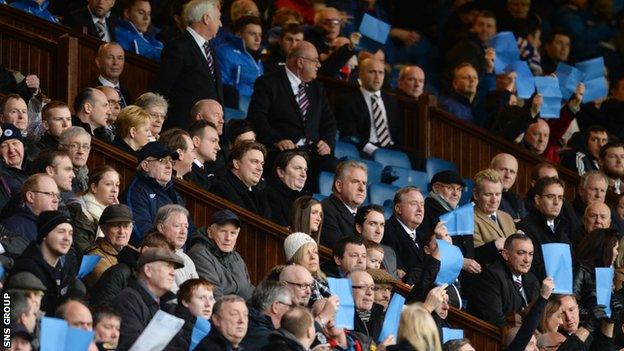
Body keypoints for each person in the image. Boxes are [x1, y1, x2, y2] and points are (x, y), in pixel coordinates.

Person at [246, 41, 337, 174]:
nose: (319, 65)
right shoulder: (269, 82)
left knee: (337, 168)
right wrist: (277, 140)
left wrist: (327, 143)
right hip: (282, 152)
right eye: (315, 61)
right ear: (300, 62)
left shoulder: (318, 89)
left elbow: (329, 122)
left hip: (312, 153)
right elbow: (256, 117)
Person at [153, 0, 223, 130]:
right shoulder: (178, 47)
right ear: (206, 18)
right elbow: (162, 88)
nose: (220, 23)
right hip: (183, 127)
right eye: (218, 18)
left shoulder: (210, 48)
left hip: (206, 129)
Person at [112, 247, 184, 350]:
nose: (173, 273)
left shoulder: (166, 303)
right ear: (148, 270)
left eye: (174, 268)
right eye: (168, 266)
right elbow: (133, 345)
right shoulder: (127, 300)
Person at [10, 210, 78, 315]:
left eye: (70, 233)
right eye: (61, 231)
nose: (67, 238)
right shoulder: (27, 268)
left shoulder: (66, 266)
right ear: (44, 235)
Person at [468, 233, 540, 327]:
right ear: (506, 254)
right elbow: (495, 321)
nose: (527, 260)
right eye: (521, 253)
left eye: (530, 254)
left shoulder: (532, 279)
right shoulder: (491, 277)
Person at [335, 58, 402, 156]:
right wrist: (374, 151)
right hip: (364, 149)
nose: (377, 76)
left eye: (381, 72)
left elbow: (398, 134)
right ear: (361, 74)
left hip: (390, 150)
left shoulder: (392, 101)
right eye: (372, 72)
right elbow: (349, 133)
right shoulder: (348, 100)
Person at [122, 141, 185, 244]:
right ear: (145, 165)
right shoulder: (136, 193)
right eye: (162, 160)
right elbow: (142, 233)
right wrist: (170, 251)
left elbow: (189, 228)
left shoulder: (174, 194)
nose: (169, 166)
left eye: (171, 161)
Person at [188, 210, 254, 300]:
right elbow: (215, 296)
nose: (228, 238)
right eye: (223, 231)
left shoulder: (236, 256)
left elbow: (249, 291)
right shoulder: (199, 254)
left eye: (233, 233)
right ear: (210, 232)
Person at [517, 177, 573, 280]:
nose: (556, 202)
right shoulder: (525, 227)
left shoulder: (561, 229)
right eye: (551, 197)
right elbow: (531, 267)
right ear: (538, 200)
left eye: (560, 198)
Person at [67, 165, 120, 253]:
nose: (114, 190)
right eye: (108, 184)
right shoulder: (79, 211)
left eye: (117, 185)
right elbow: (84, 252)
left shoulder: (113, 212)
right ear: (94, 188)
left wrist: (116, 215)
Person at [210, 141, 271, 217]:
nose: (260, 168)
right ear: (236, 164)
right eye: (255, 161)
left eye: (262, 164)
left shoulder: (258, 193)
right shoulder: (221, 188)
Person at [216, 15, 264, 111]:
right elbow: (221, 84)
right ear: (238, 34)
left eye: (260, 35)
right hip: (234, 107)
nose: (258, 39)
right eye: (252, 34)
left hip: (256, 106)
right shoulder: (225, 52)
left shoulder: (258, 57)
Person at [573, 228, 619, 321]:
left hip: (601, 326)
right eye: (616, 249)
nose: (617, 253)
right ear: (605, 248)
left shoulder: (608, 272)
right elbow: (571, 304)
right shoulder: (580, 269)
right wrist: (591, 314)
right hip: (583, 327)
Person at [83, 204, 133, 288]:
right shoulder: (92, 257)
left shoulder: (132, 250)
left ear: (131, 229)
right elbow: (113, 287)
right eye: (116, 226)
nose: (122, 231)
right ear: (103, 229)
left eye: (126, 226)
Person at [472, 169, 516, 265]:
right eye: (488, 194)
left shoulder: (507, 217)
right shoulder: (469, 219)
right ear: (476, 194)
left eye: (498, 194)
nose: (494, 200)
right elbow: (476, 257)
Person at [320, 160, 367, 248]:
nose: (362, 188)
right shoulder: (326, 209)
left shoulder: (366, 213)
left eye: (364, 183)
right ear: (339, 185)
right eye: (355, 182)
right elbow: (339, 249)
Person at [381, 186, 427, 276]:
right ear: (398, 208)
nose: (420, 209)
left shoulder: (423, 237)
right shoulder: (386, 231)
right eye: (414, 204)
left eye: (422, 204)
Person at [1, 174, 59, 243]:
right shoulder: (13, 227)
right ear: (30, 197)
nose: (56, 200)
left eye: (57, 195)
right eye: (50, 194)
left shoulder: (55, 226)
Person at [153, 204, 198, 292]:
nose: (183, 232)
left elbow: (198, 291)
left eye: (186, 227)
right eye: (177, 226)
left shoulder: (186, 258)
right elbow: (171, 299)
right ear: (161, 228)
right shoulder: (156, 256)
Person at [241, 280, 294, 350]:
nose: (290, 310)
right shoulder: (270, 341)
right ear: (275, 307)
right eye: (289, 306)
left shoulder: (251, 322)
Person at [167, 278, 215, 351]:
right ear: (186, 302)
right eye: (201, 298)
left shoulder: (214, 324)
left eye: (211, 298)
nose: (208, 304)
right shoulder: (180, 329)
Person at [283, 232, 330, 304]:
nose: (313, 257)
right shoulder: (292, 289)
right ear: (294, 259)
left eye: (315, 252)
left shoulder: (323, 282)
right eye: (306, 253)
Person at [355, 204, 399, 278]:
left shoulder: (389, 252)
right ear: (359, 227)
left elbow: (394, 285)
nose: (379, 231)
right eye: (373, 224)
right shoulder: (350, 251)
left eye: (382, 225)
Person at [268, 150, 310, 226]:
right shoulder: (270, 196)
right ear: (281, 172)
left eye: (305, 170)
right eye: (297, 168)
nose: (304, 175)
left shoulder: (307, 201)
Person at [349, 270, 385, 341]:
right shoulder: (339, 320)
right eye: (363, 287)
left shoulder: (375, 316)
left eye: (372, 288)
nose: (370, 292)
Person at [490, 153, 527, 221]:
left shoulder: (518, 200)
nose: (508, 175)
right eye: (503, 169)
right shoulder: (482, 195)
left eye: (512, 172)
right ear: (491, 169)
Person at [185, 120, 220, 191]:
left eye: (218, 142)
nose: (218, 147)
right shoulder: (185, 169)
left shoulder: (208, 172)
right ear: (196, 141)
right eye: (213, 141)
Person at [93, 43, 131, 107]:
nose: (115, 63)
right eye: (110, 58)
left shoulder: (127, 93)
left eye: (120, 58)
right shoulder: (92, 91)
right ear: (98, 62)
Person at [0, 123, 29, 202]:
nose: (11, 150)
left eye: (15, 143)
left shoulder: (34, 169)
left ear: (23, 146)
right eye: (4, 146)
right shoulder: (2, 177)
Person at [59, 127, 92, 193]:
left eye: (85, 147)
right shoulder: (59, 176)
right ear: (62, 148)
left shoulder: (90, 179)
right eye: (74, 146)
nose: (81, 152)